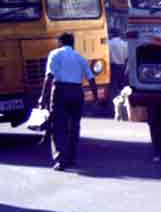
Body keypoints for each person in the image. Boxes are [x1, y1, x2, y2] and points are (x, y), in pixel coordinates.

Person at [38, 33, 100, 171]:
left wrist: (43, 97)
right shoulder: (80, 58)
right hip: (77, 92)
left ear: (60, 42)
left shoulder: (54, 54)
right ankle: (72, 158)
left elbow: (49, 77)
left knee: (58, 126)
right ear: (73, 44)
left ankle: (60, 160)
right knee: (74, 126)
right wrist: (96, 97)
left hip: (60, 91)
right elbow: (91, 79)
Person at [108, 28, 128, 100]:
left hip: (112, 67)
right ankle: (122, 100)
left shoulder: (108, 43)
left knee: (113, 86)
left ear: (111, 34)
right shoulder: (124, 44)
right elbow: (126, 57)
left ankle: (114, 101)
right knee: (121, 85)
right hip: (122, 67)